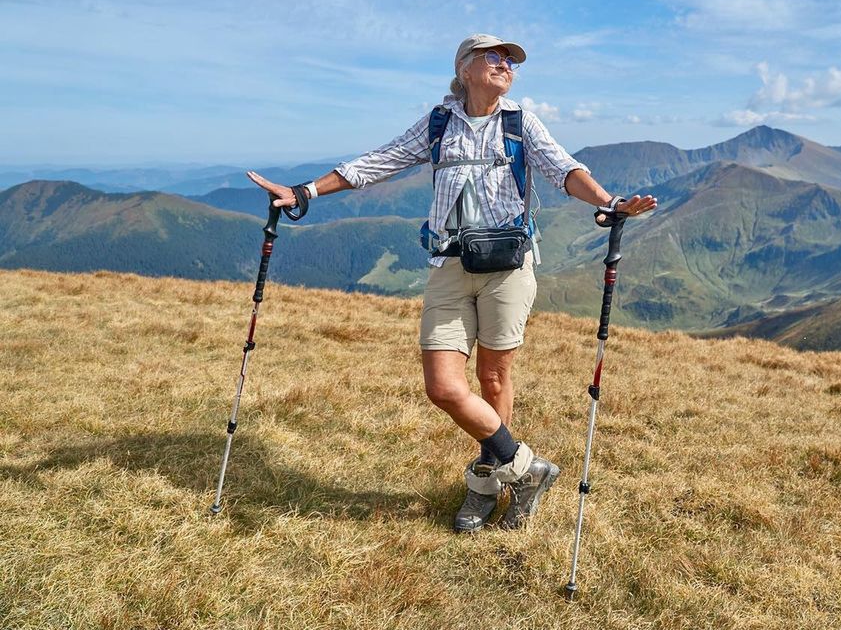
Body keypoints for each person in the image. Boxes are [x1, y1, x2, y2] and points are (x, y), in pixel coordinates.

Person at [248, 33, 657, 532]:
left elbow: (564, 169)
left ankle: (486, 485)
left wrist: (607, 202)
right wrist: (303, 190)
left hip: (507, 266)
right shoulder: (439, 124)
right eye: (495, 57)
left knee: (493, 379)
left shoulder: (519, 122)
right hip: (449, 265)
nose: (506, 65)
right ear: (465, 69)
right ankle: (527, 469)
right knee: (443, 386)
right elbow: (380, 161)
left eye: (511, 61)